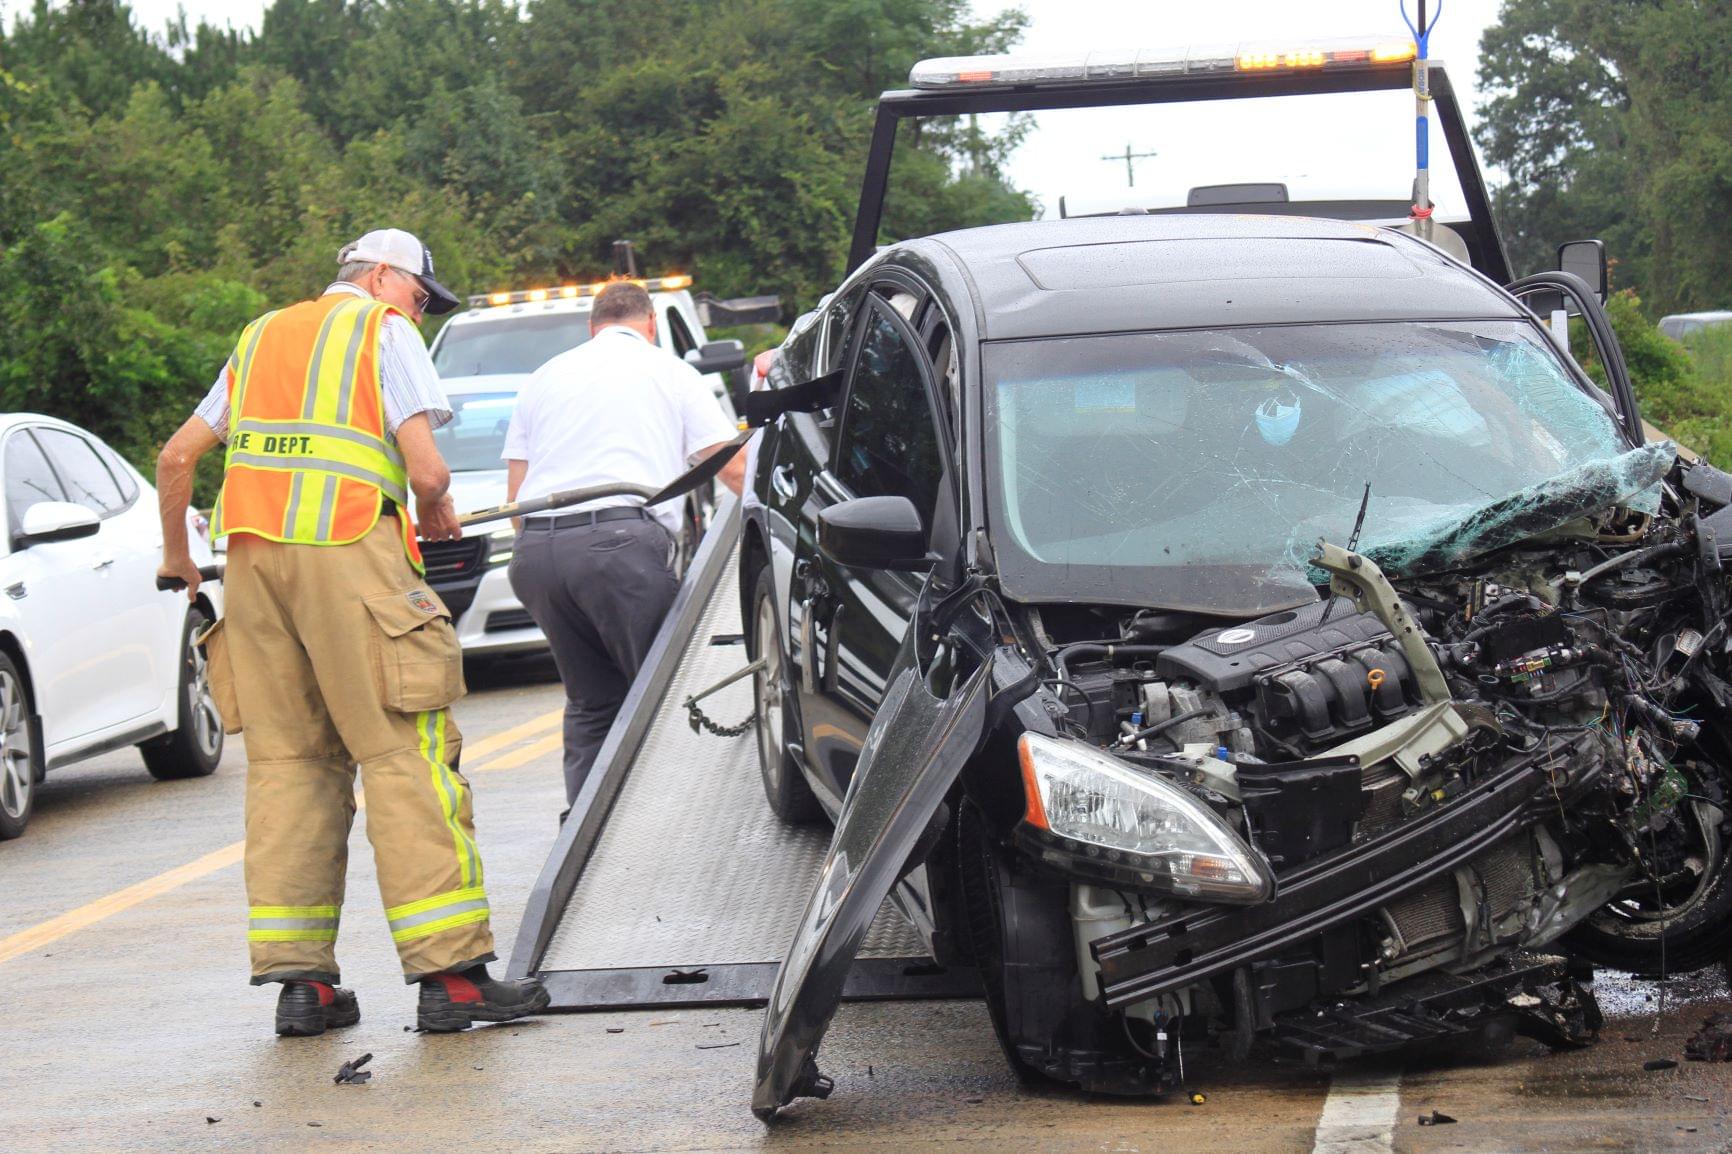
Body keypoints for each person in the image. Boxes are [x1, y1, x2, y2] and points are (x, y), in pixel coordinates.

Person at [155, 228, 549, 1037]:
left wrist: (179, 562)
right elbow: (430, 470)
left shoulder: (261, 335)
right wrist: (434, 506)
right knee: (407, 757)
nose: (420, 309)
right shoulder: (382, 329)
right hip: (350, 561)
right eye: (417, 293)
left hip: (256, 577)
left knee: (290, 767)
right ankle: (455, 980)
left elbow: (175, 457)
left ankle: (306, 989)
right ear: (379, 277)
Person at [504, 281, 745, 809]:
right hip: (619, 546)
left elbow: (515, 495)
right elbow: (730, 467)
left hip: (538, 557)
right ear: (650, 325)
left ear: (591, 327)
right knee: (661, 693)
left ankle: (584, 831)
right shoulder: (670, 370)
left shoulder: (544, 377)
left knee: (591, 702)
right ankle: (679, 817)